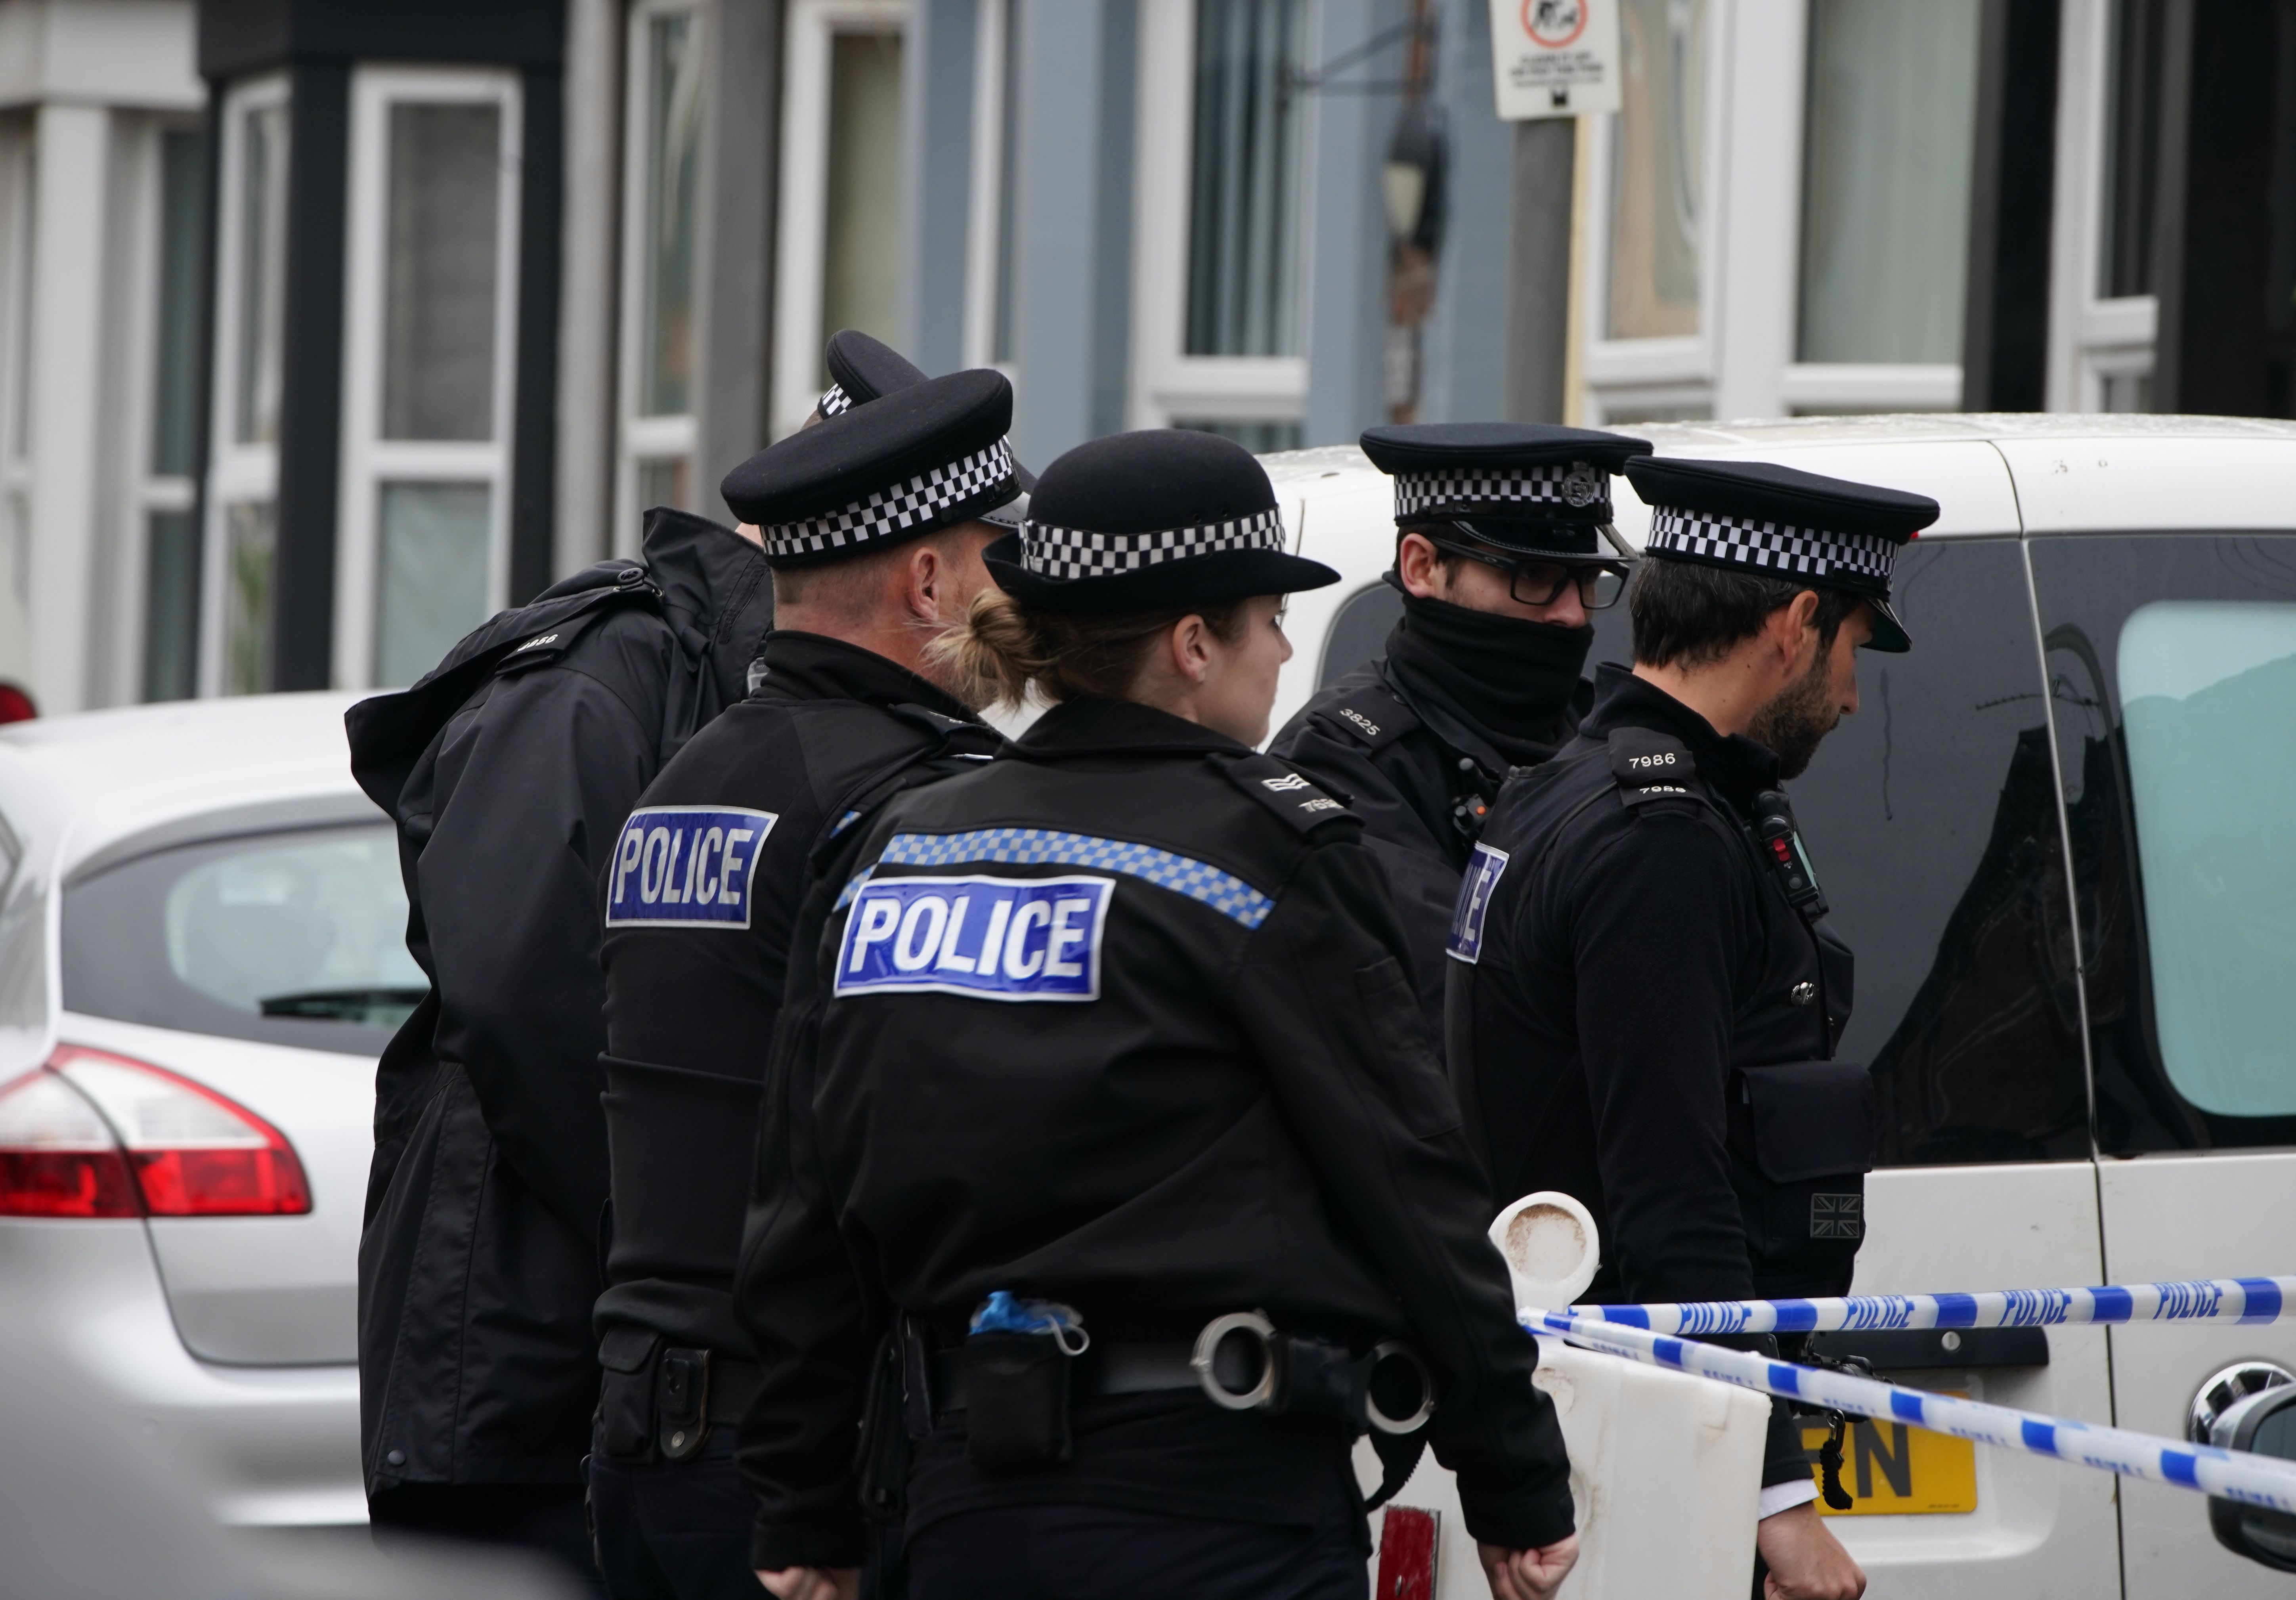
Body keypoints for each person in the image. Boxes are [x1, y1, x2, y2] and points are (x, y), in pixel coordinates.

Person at [737, 429, 1580, 1600]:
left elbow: (802, 1209)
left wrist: (802, 1504)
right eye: (1268, 619)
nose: (1288, 649)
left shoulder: (897, 853)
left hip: (961, 1509)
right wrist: (1515, 1474)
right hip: (1217, 1513)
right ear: (1193, 644)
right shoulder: (1267, 853)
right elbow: (1410, 1182)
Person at [1445, 455, 1937, 1600]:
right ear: (1797, 622)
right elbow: (1672, 1185)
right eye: (1855, 644)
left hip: (1605, 1404)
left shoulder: (1580, 782)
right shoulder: (1658, 837)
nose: (1855, 691)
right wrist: (1775, 1497)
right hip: (1642, 1438)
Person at [588, 366, 1023, 1598]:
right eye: (999, 559)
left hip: (647, 1434)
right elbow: (918, 1151)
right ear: (928, 582)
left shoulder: (681, 785)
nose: (1018, 595)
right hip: (810, 1464)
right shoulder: (913, 808)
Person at [345, 503, 774, 1584]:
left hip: (579, 1340)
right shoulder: (601, 672)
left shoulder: (716, 672)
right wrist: (669, 1235)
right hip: (512, 1345)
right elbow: (524, 995)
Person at [1267, 423, 1646, 1039]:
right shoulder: (1343, 758)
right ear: (1422, 566)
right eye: (1534, 576)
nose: (1572, 613)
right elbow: (1472, 1008)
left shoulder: (1609, 733)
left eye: (1585, 581)